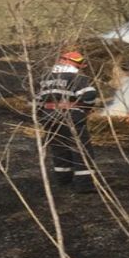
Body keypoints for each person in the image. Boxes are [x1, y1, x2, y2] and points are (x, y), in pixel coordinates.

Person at [35, 51, 98, 193]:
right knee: (81, 150)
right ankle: (85, 186)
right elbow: (89, 95)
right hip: (71, 116)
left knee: (59, 147)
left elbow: (34, 100)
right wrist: (87, 108)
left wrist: (42, 114)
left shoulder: (43, 78)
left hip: (49, 117)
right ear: (76, 64)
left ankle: (63, 180)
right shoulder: (77, 78)